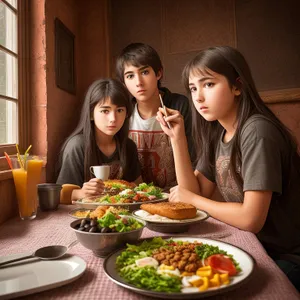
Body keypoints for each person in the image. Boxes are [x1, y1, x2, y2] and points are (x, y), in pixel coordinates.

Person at [156, 46, 300, 291]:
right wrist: (177, 140)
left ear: (237, 86)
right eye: (193, 88)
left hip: (287, 258)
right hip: (255, 247)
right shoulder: (218, 134)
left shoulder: (257, 131)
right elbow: (196, 194)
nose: (198, 97)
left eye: (208, 85)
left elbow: (250, 219)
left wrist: (191, 198)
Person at [115, 43, 195, 189]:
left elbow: (195, 157)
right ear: (124, 83)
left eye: (144, 72)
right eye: (130, 76)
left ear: (158, 73)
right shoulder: (122, 113)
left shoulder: (179, 106)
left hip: (178, 194)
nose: (138, 82)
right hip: (137, 198)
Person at [56, 78, 141, 200]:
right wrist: (81, 193)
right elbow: (59, 194)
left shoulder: (128, 146)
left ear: (127, 113)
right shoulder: (77, 146)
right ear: (91, 113)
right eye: (105, 110)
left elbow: (138, 186)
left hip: (121, 215)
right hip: (85, 215)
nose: (113, 118)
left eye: (120, 110)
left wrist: (132, 189)